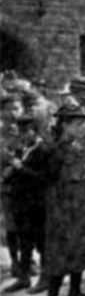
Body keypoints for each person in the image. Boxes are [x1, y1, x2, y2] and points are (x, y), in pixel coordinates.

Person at [31, 100, 85, 296]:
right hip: (64, 206)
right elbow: (46, 179)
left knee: (82, 247)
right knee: (61, 252)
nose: (81, 128)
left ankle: (75, 292)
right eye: (76, 123)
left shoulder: (84, 147)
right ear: (64, 125)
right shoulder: (53, 149)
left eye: (83, 124)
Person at [2, 114, 46, 292]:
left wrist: (21, 168)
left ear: (35, 131)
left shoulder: (43, 150)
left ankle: (45, 278)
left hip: (37, 202)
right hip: (21, 202)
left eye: (26, 131)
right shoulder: (23, 149)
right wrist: (9, 171)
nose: (23, 135)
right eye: (21, 131)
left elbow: (43, 178)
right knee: (24, 242)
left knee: (42, 242)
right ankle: (24, 277)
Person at [1, 93, 24, 279]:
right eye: (10, 109)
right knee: (12, 226)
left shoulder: (26, 131)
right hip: (7, 186)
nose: (15, 113)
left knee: (27, 225)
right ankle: (15, 261)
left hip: (26, 186)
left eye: (17, 108)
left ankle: (28, 261)